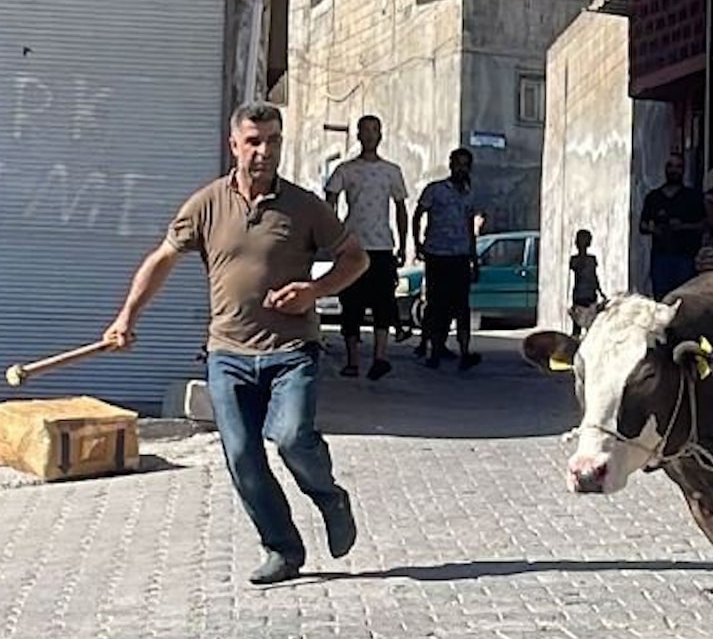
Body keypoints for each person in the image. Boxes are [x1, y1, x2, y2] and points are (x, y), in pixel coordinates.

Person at [102, 102, 367, 585]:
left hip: (293, 353)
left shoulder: (306, 207)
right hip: (228, 356)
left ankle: (330, 497)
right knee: (242, 456)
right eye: (254, 141)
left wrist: (316, 289)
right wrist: (126, 317)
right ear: (234, 145)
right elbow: (163, 258)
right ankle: (282, 549)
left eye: (273, 141)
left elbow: (355, 258)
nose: (264, 152)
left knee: (290, 439)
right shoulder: (206, 205)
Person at [324, 115, 409, 380]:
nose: (370, 135)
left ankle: (380, 356)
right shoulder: (345, 170)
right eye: (365, 130)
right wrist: (332, 237)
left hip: (382, 245)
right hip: (353, 246)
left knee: (383, 302)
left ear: (381, 135)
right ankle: (352, 361)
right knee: (351, 303)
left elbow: (401, 207)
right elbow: (330, 202)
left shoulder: (391, 171)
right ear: (358, 135)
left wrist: (404, 244)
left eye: (375, 130)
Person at [412, 148, 482, 371]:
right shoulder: (435, 190)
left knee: (462, 307)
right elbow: (417, 214)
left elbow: (470, 226)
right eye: (458, 164)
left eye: (465, 165)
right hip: (437, 255)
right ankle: (434, 350)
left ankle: (464, 353)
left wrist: (474, 258)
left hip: (460, 256)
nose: (461, 169)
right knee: (436, 305)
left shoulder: (469, 194)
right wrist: (417, 243)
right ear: (451, 165)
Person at [639, 153, 706, 300]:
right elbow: (642, 225)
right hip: (661, 258)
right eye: (670, 166)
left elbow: (703, 224)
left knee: (685, 300)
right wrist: (654, 229)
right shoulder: (654, 198)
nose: (674, 170)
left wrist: (683, 227)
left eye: (678, 166)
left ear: (683, 170)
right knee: (662, 301)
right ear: (665, 169)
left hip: (685, 257)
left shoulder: (692, 197)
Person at [568, 229, 606, 338]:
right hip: (586, 294)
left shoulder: (577, 260)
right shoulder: (586, 260)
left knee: (581, 325)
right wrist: (600, 291)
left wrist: (600, 291)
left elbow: (594, 277)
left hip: (582, 294)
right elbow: (594, 277)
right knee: (587, 323)